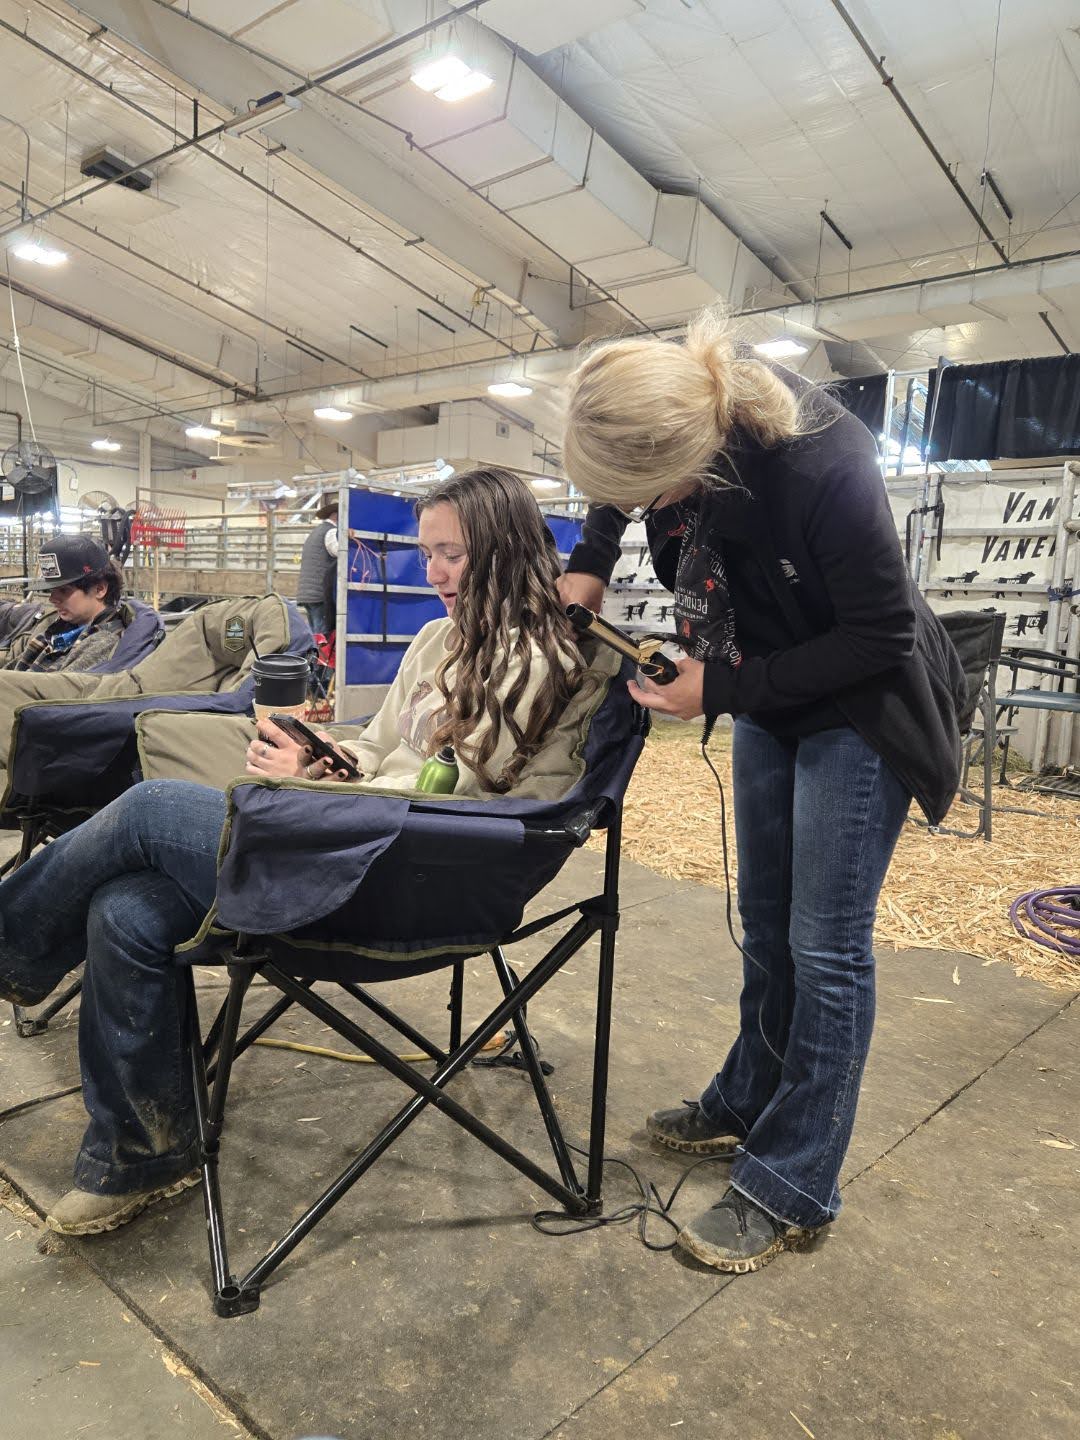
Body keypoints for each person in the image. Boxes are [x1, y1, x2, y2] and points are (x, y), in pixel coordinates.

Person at [0, 468, 590, 1236]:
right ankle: (145, 1154)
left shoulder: (536, 659)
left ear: (506, 549)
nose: (434, 573)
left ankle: (10, 948)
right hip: (343, 825)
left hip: (398, 867)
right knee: (126, 909)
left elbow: (457, 795)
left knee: (148, 809)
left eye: (453, 554)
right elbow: (378, 749)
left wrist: (328, 789)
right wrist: (319, 760)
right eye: (427, 554)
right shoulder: (435, 639)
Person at [558, 305, 967, 1274]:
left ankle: (795, 1182)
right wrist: (588, 564)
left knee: (825, 948)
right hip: (764, 679)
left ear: (687, 457)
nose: (633, 507)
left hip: (857, 705)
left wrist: (721, 689)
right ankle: (749, 1098)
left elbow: (881, 636)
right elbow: (618, 480)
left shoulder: (823, 464)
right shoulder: (675, 410)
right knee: (768, 922)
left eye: (642, 494)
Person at [1, 535, 130, 673]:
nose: (52, 599)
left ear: (99, 589)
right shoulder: (59, 628)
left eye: (64, 590)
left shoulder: (103, 643)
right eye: (52, 590)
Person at [295, 499, 341, 636]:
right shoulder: (331, 531)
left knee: (315, 633)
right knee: (322, 634)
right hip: (319, 593)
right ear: (337, 515)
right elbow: (339, 552)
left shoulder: (316, 531)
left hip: (307, 593)